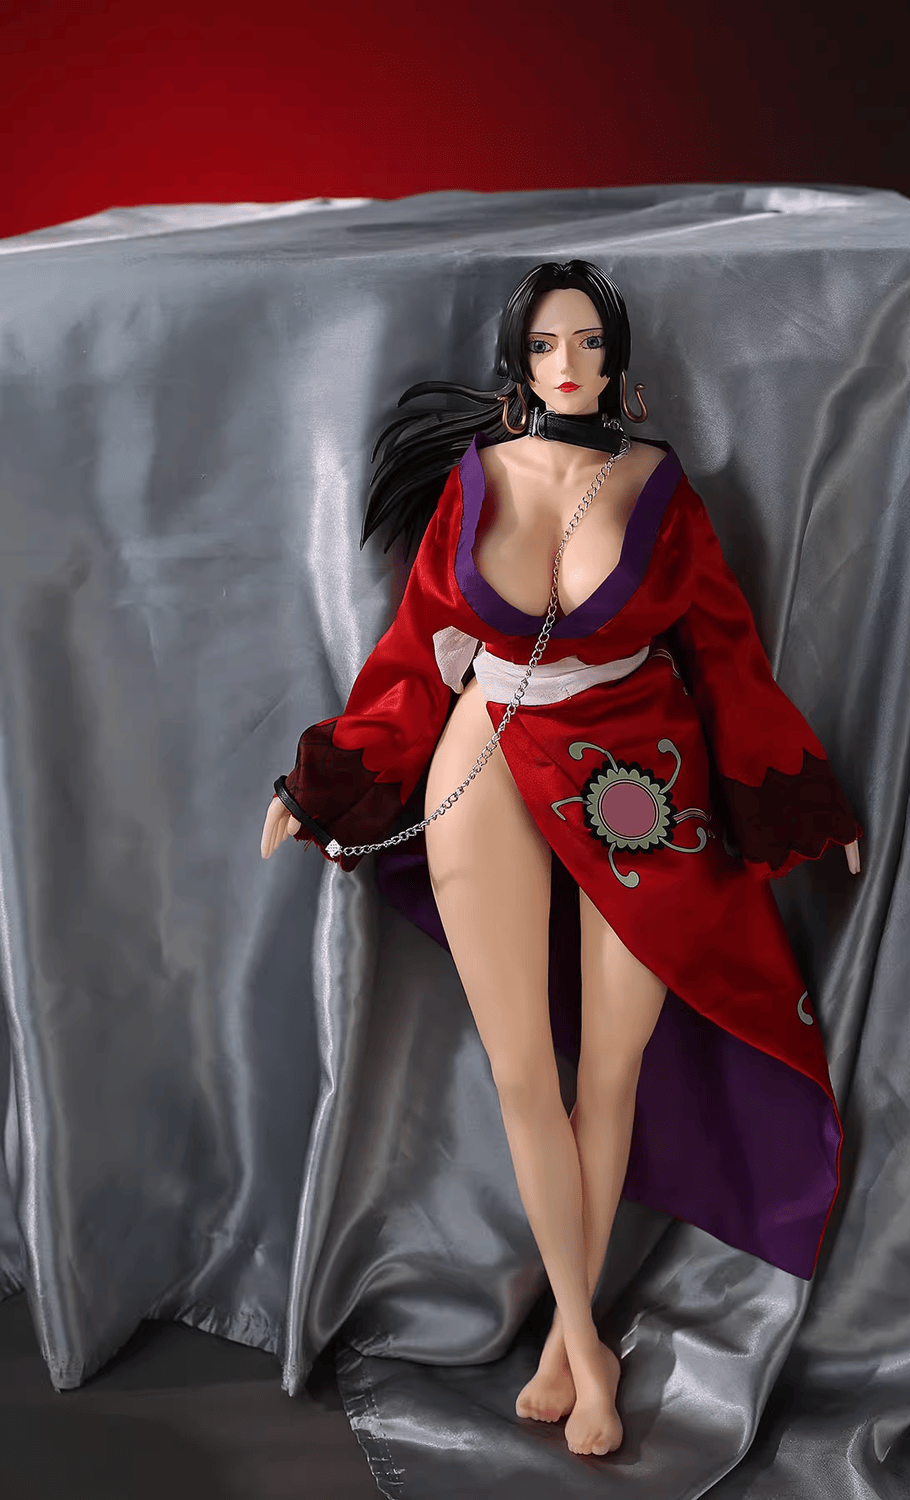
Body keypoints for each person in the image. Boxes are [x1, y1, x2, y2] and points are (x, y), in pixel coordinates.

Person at [260, 261, 862, 1458]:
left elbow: (726, 654)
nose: (569, 364)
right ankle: (585, 1348)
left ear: (618, 363)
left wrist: (798, 795)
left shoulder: (657, 487)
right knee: (522, 1073)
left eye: (589, 343)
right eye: (546, 345)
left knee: (612, 1072)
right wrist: (320, 784)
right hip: (485, 747)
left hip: (639, 773)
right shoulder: (477, 481)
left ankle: (563, 1347)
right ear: (518, 363)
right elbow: (417, 648)